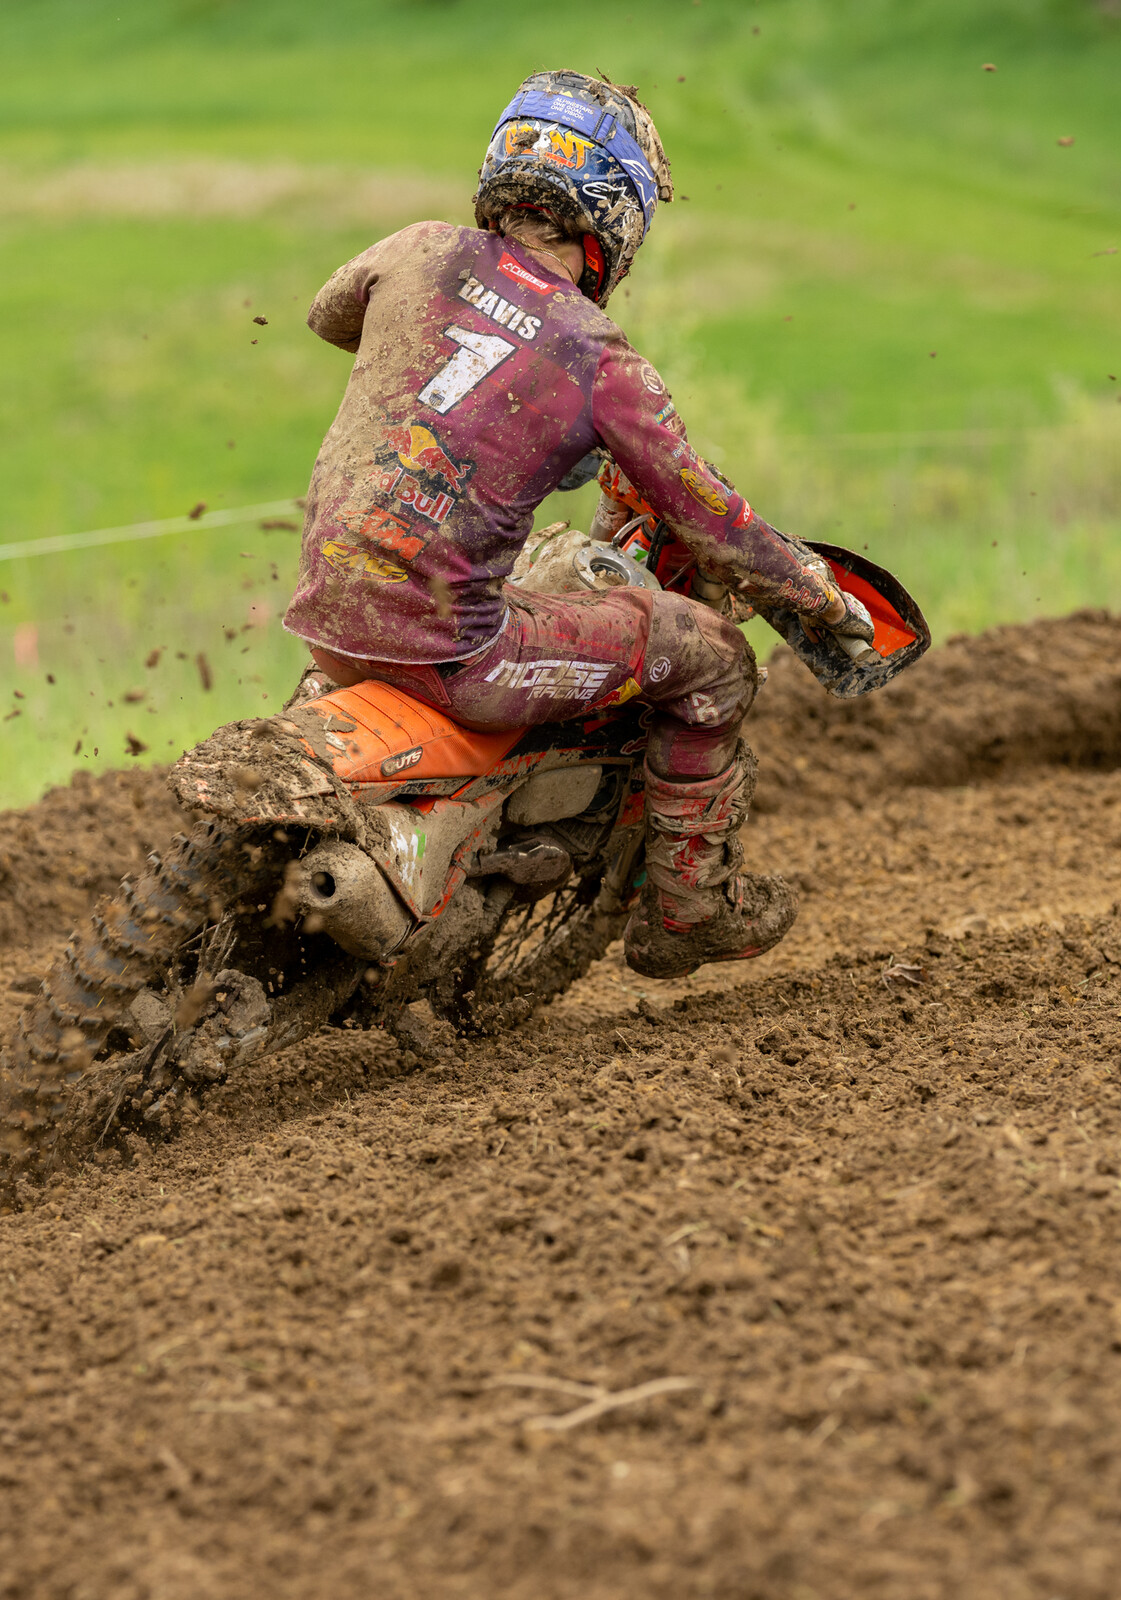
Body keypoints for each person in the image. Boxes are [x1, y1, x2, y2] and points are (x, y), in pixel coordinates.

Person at [280, 69, 873, 980]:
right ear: (616, 215)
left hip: (326, 614)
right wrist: (815, 593)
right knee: (713, 657)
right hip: (459, 657)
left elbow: (333, 318)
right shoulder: (596, 357)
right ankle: (689, 910)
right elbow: (709, 520)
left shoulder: (417, 248)